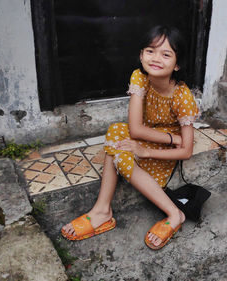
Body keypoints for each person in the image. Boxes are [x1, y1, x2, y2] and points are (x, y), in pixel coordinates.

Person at [61, 25, 199, 250]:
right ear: (141, 54)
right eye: (150, 51)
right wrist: (171, 138)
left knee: (119, 152)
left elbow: (187, 151)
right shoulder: (139, 77)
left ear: (177, 64)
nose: (155, 59)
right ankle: (102, 209)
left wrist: (147, 151)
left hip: (163, 153)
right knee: (116, 131)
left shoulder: (182, 96)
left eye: (166, 54)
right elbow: (135, 130)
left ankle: (174, 214)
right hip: (160, 139)